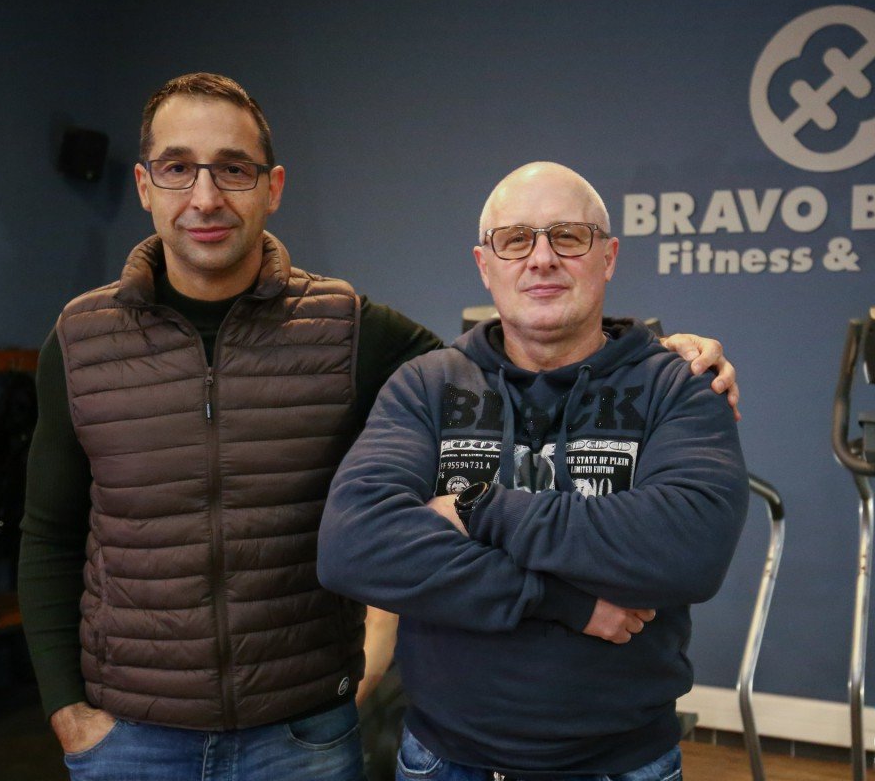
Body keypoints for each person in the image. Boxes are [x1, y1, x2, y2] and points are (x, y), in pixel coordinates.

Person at [17, 75, 739, 781]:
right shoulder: (80, 339)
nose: (205, 196)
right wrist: (66, 710)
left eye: (234, 169)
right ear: (145, 185)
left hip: (302, 729)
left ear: (273, 186)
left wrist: (660, 360)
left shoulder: (352, 330)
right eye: (178, 167)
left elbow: (681, 535)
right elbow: (53, 534)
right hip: (131, 735)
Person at [318, 162, 750, 780]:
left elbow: (688, 548)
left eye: (568, 237)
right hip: (444, 760)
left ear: (608, 257)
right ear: (484, 264)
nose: (542, 258)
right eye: (516, 239)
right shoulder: (427, 385)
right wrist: (560, 599)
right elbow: (354, 546)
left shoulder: (678, 385)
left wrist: (477, 507)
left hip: (623, 763)